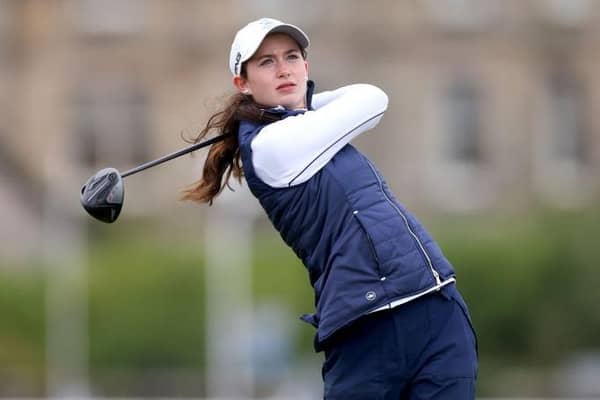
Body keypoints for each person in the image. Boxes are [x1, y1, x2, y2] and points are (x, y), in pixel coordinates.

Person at [182, 17, 478, 400]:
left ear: (306, 65)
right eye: (266, 63)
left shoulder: (306, 127)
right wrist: (283, 108)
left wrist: (294, 104)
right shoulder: (271, 147)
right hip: (366, 331)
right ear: (243, 82)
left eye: (292, 57)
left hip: (436, 308)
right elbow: (372, 99)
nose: (284, 69)